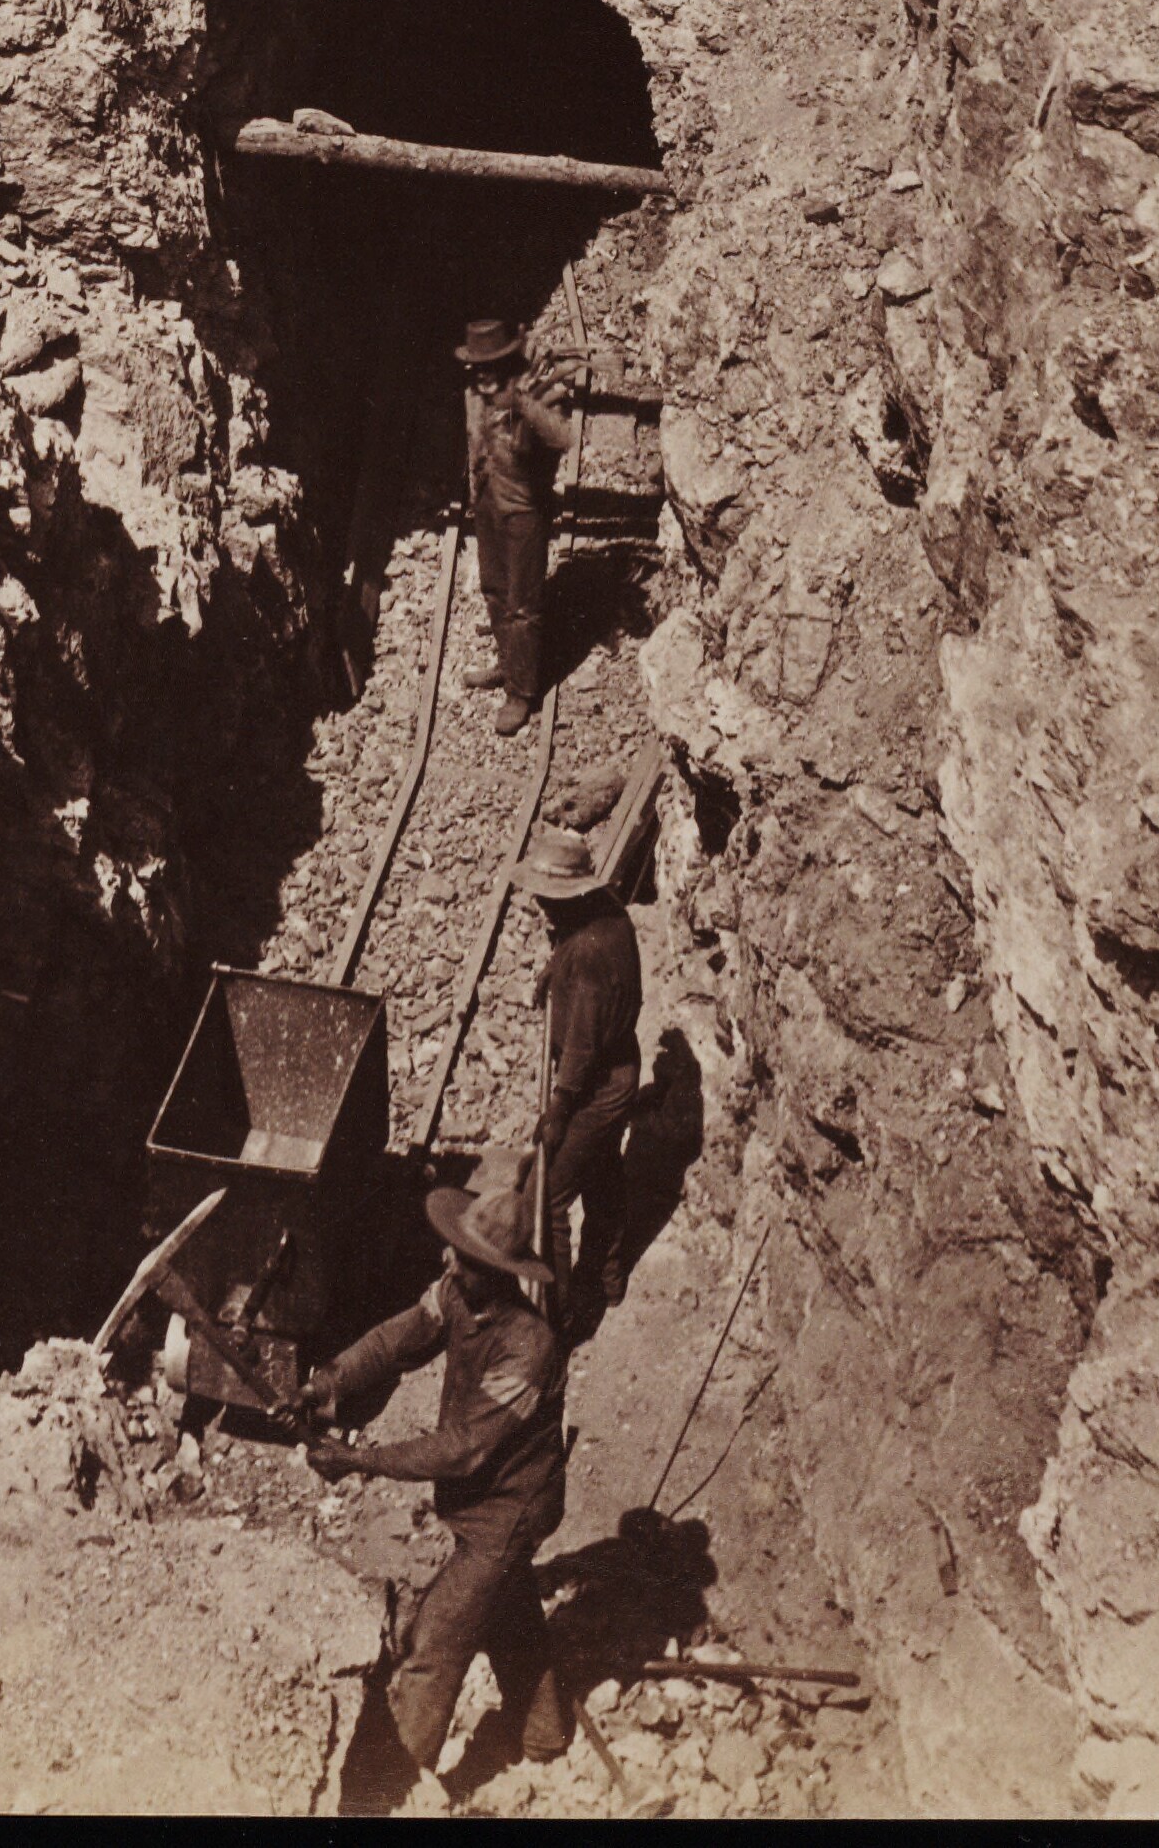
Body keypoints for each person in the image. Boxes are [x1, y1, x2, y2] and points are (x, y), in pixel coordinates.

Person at [313, 1175, 577, 1803]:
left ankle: (394, 1789)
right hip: (483, 1502)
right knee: (507, 1606)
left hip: (511, 1509)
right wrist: (329, 1382)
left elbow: (464, 1449)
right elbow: (396, 1338)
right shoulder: (455, 1294)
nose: (446, 1258)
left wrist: (361, 1460)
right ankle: (545, 1736)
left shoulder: (530, 1349)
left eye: (460, 1254)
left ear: (493, 1270)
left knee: (436, 1638)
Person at [513, 811, 647, 1310]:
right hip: (617, 1070)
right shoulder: (605, 914)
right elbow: (580, 959)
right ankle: (608, 1278)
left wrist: (559, 1109)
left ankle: (556, 1315)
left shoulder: (590, 949)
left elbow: (584, 1045)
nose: (539, 902)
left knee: (548, 1197)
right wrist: (554, 970)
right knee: (603, 1174)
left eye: (547, 895)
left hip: (595, 1086)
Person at [453, 320, 564, 734]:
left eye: (490, 364)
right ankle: (508, 664)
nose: (481, 373)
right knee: (495, 590)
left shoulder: (535, 392)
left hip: (524, 512)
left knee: (523, 606)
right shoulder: (472, 395)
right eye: (476, 365)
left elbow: (562, 436)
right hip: (487, 505)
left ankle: (521, 693)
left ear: (506, 362)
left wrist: (522, 404)